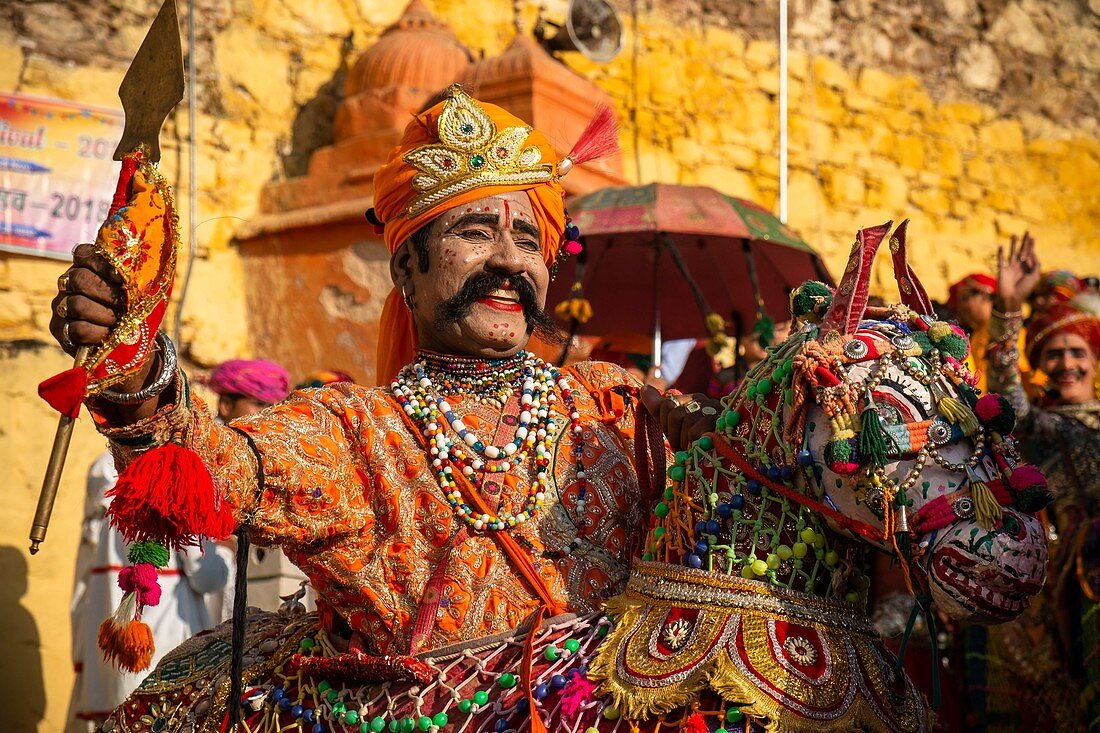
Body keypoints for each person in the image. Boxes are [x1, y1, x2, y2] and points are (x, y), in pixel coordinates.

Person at [49, 86, 719, 728]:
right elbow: (217, 464)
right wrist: (130, 357)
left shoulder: (615, 408)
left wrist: (723, 455)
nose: (509, 260)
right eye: (477, 232)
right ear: (407, 270)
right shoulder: (356, 433)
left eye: (527, 240)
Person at [973, 232, 1100, 731]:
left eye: (1077, 352)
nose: (1067, 363)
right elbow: (1005, 392)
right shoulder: (1040, 428)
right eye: (1053, 354)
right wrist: (1008, 308)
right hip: (1086, 570)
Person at [66, 453, 230, 731]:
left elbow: (82, 586)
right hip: (163, 649)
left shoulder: (104, 467)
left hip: (107, 649)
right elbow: (206, 576)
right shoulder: (178, 473)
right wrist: (226, 553)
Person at [946, 272, 996, 391]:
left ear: (985, 296)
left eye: (964, 298)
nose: (961, 308)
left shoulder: (1009, 334)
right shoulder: (976, 336)